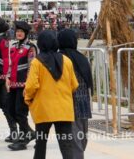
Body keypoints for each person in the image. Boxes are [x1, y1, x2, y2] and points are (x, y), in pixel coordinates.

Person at [25, 30, 78, 159]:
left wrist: (28, 99)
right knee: (66, 145)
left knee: (41, 143)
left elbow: (31, 86)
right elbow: (74, 85)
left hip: (43, 109)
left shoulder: (37, 62)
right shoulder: (67, 61)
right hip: (64, 109)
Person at [58, 28, 93, 159]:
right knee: (81, 137)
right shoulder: (82, 58)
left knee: (73, 139)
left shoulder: (60, 58)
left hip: (68, 102)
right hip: (83, 102)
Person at [6, 21, 37, 151]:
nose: (18, 33)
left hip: (23, 85)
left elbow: (32, 67)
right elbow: (11, 64)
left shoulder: (30, 48)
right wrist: (7, 78)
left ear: (26, 33)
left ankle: (24, 138)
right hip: (12, 84)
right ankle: (28, 133)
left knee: (20, 112)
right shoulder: (13, 46)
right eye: (17, 31)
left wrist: (27, 86)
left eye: (21, 31)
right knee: (10, 110)